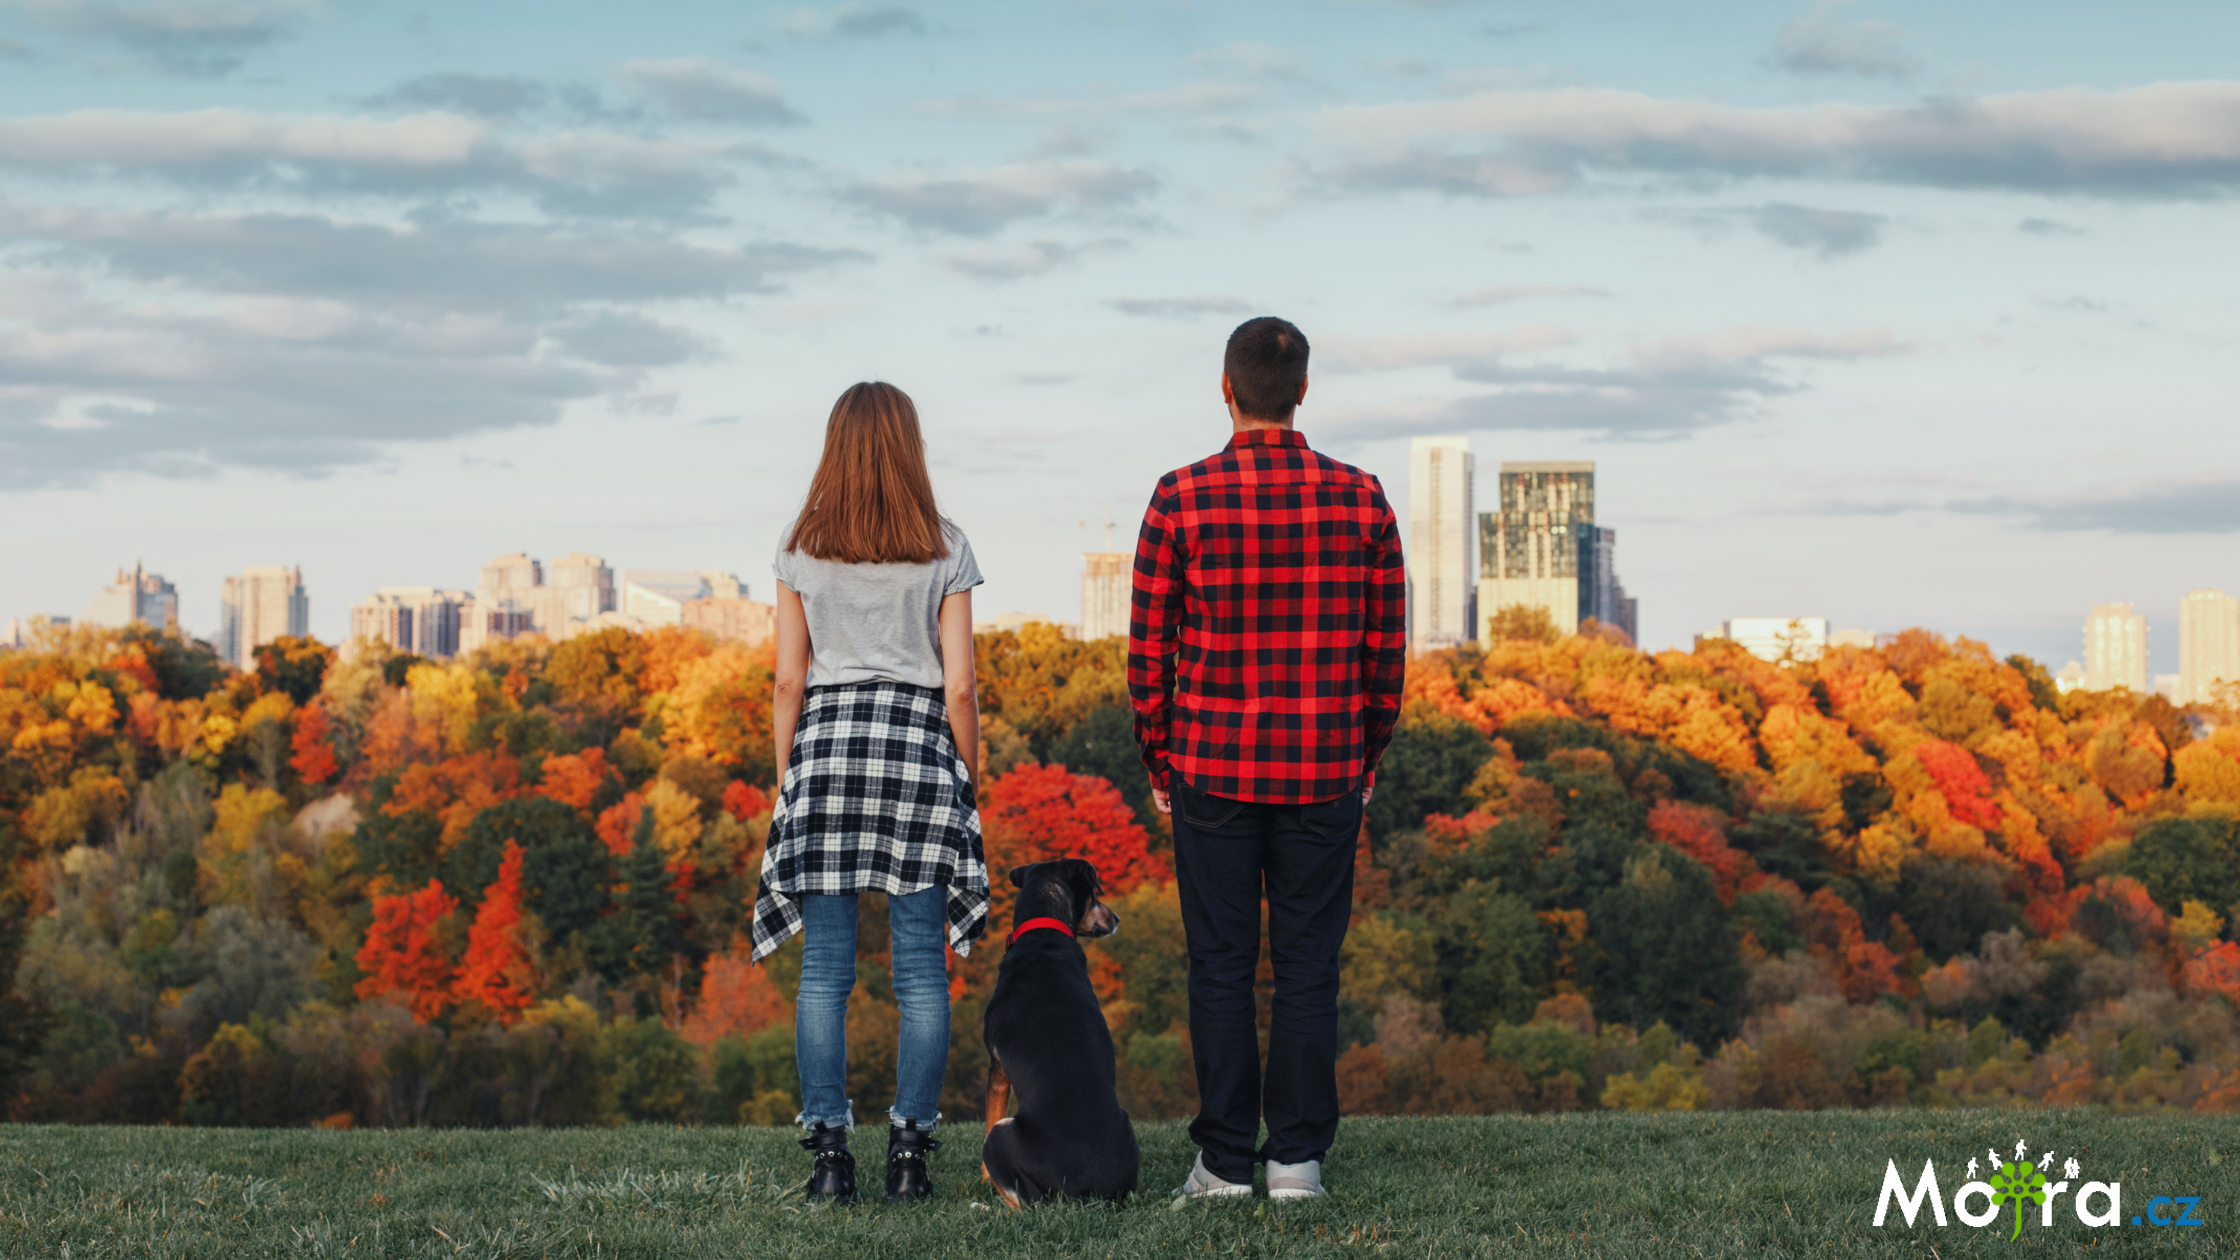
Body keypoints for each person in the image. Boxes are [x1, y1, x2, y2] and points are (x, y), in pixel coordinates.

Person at [1127, 317, 1405, 1202]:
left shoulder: (1181, 497)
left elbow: (1147, 653)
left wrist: (1159, 757)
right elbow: (1384, 654)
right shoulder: (1363, 499)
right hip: (1325, 767)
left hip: (1212, 764)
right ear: (1302, 392)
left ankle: (1221, 1162)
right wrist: (1369, 752)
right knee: (1307, 967)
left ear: (1225, 388)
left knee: (1219, 965)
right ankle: (1295, 1160)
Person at [750, 381, 989, 1207]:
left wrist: (789, 775)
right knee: (921, 971)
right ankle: (911, 1159)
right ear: (910, 447)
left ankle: (827, 1160)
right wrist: (969, 776)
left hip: (826, 751)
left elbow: (788, 678)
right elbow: (959, 686)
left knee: (825, 973)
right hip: (918, 751)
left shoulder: (799, 544)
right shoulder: (945, 544)